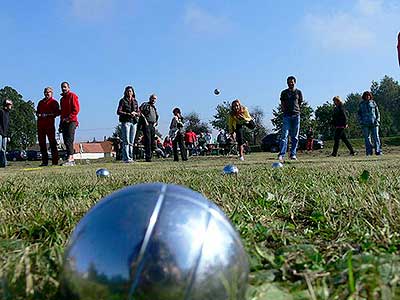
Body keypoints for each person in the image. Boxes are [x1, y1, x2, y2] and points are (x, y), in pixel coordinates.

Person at [278, 76, 303, 163]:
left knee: (295, 136)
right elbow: (282, 103)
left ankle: (293, 154)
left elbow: (299, 103)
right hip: (286, 116)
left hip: (296, 116)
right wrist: (284, 111)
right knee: (284, 136)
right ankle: (281, 154)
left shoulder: (298, 92)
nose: (290, 83)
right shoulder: (284, 93)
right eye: (289, 82)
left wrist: (297, 110)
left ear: (295, 82)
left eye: (292, 82)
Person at [36, 87, 60, 166]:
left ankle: (55, 161)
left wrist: (49, 115)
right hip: (40, 126)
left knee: (52, 143)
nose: (47, 93)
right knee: (42, 143)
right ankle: (44, 161)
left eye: (48, 92)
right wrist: (39, 115)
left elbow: (57, 113)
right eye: (45, 92)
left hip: (49, 125)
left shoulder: (54, 102)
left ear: (52, 93)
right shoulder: (40, 102)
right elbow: (37, 112)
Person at [59, 82, 80, 166]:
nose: (63, 88)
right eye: (62, 87)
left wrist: (69, 118)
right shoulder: (62, 99)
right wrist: (61, 124)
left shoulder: (72, 96)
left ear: (68, 87)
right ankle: (69, 157)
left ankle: (71, 158)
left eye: (65, 87)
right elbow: (62, 113)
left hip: (72, 121)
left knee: (69, 139)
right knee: (65, 140)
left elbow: (76, 109)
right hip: (64, 121)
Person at [117, 86, 139, 163]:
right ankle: (126, 158)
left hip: (134, 122)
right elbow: (119, 112)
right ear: (125, 92)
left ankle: (130, 157)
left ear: (133, 92)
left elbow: (139, 113)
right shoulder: (122, 101)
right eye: (128, 91)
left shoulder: (135, 101)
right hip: (126, 122)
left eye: (130, 91)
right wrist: (129, 114)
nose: (129, 92)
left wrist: (135, 113)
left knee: (131, 141)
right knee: (126, 141)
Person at [358, 91, 382, 155]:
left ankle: (378, 151)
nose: (367, 96)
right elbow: (359, 114)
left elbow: (377, 112)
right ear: (364, 96)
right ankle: (369, 152)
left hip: (374, 122)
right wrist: (361, 121)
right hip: (365, 123)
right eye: (366, 95)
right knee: (367, 138)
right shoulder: (361, 104)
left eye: (368, 95)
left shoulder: (373, 103)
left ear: (370, 96)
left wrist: (377, 120)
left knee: (376, 137)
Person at [139, 94, 159, 162]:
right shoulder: (145, 104)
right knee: (148, 140)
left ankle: (151, 155)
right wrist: (145, 121)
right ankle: (148, 157)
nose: (154, 100)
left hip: (153, 125)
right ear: (150, 98)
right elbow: (140, 112)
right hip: (147, 124)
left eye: (155, 99)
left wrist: (156, 122)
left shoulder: (154, 107)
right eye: (153, 98)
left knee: (152, 141)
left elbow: (156, 116)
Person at [0, 99, 13, 168]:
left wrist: (8, 136)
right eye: (10, 104)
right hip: (0, 133)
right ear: (6, 105)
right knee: (0, 149)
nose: (11, 106)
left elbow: (8, 126)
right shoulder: (1, 112)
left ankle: (3, 164)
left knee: (4, 149)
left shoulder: (8, 114)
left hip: (5, 134)